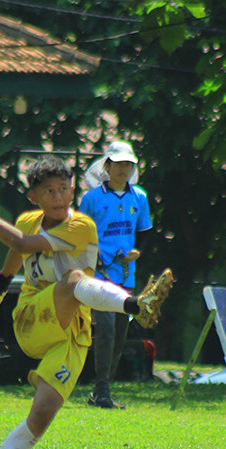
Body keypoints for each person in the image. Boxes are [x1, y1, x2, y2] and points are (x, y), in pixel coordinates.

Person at [0, 154, 173, 449]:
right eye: (48, 191)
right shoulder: (28, 221)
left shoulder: (81, 225)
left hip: (74, 334)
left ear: (73, 190)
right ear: (34, 197)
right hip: (33, 318)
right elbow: (20, 248)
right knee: (72, 281)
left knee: (42, 415)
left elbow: (23, 244)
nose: (58, 197)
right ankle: (136, 305)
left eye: (63, 189)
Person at [79, 141, 153, 409]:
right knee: (106, 330)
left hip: (126, 276)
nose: (124, 169)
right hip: (99, 275)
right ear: (107, 165)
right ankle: (101, 388)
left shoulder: (139, 197)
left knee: (120, 334)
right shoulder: (91, 198)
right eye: (119, 163)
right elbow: (80, 232)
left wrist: (138, 252)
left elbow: (144, 232)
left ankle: (102, 391)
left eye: (128, 164)